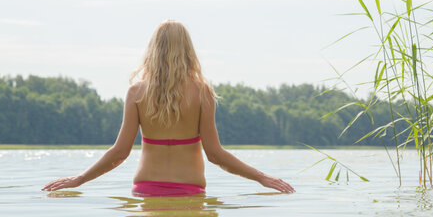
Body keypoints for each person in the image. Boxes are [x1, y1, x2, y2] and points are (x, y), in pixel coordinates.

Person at [42, 20, 295, 196]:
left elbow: (119, 153)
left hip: (145, 192)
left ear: (154, 49)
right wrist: (263, 178)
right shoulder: (201, 92)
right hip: (190, 192)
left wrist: (80, 179)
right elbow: (215, 154)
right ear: (188, 50)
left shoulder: (137, 92)